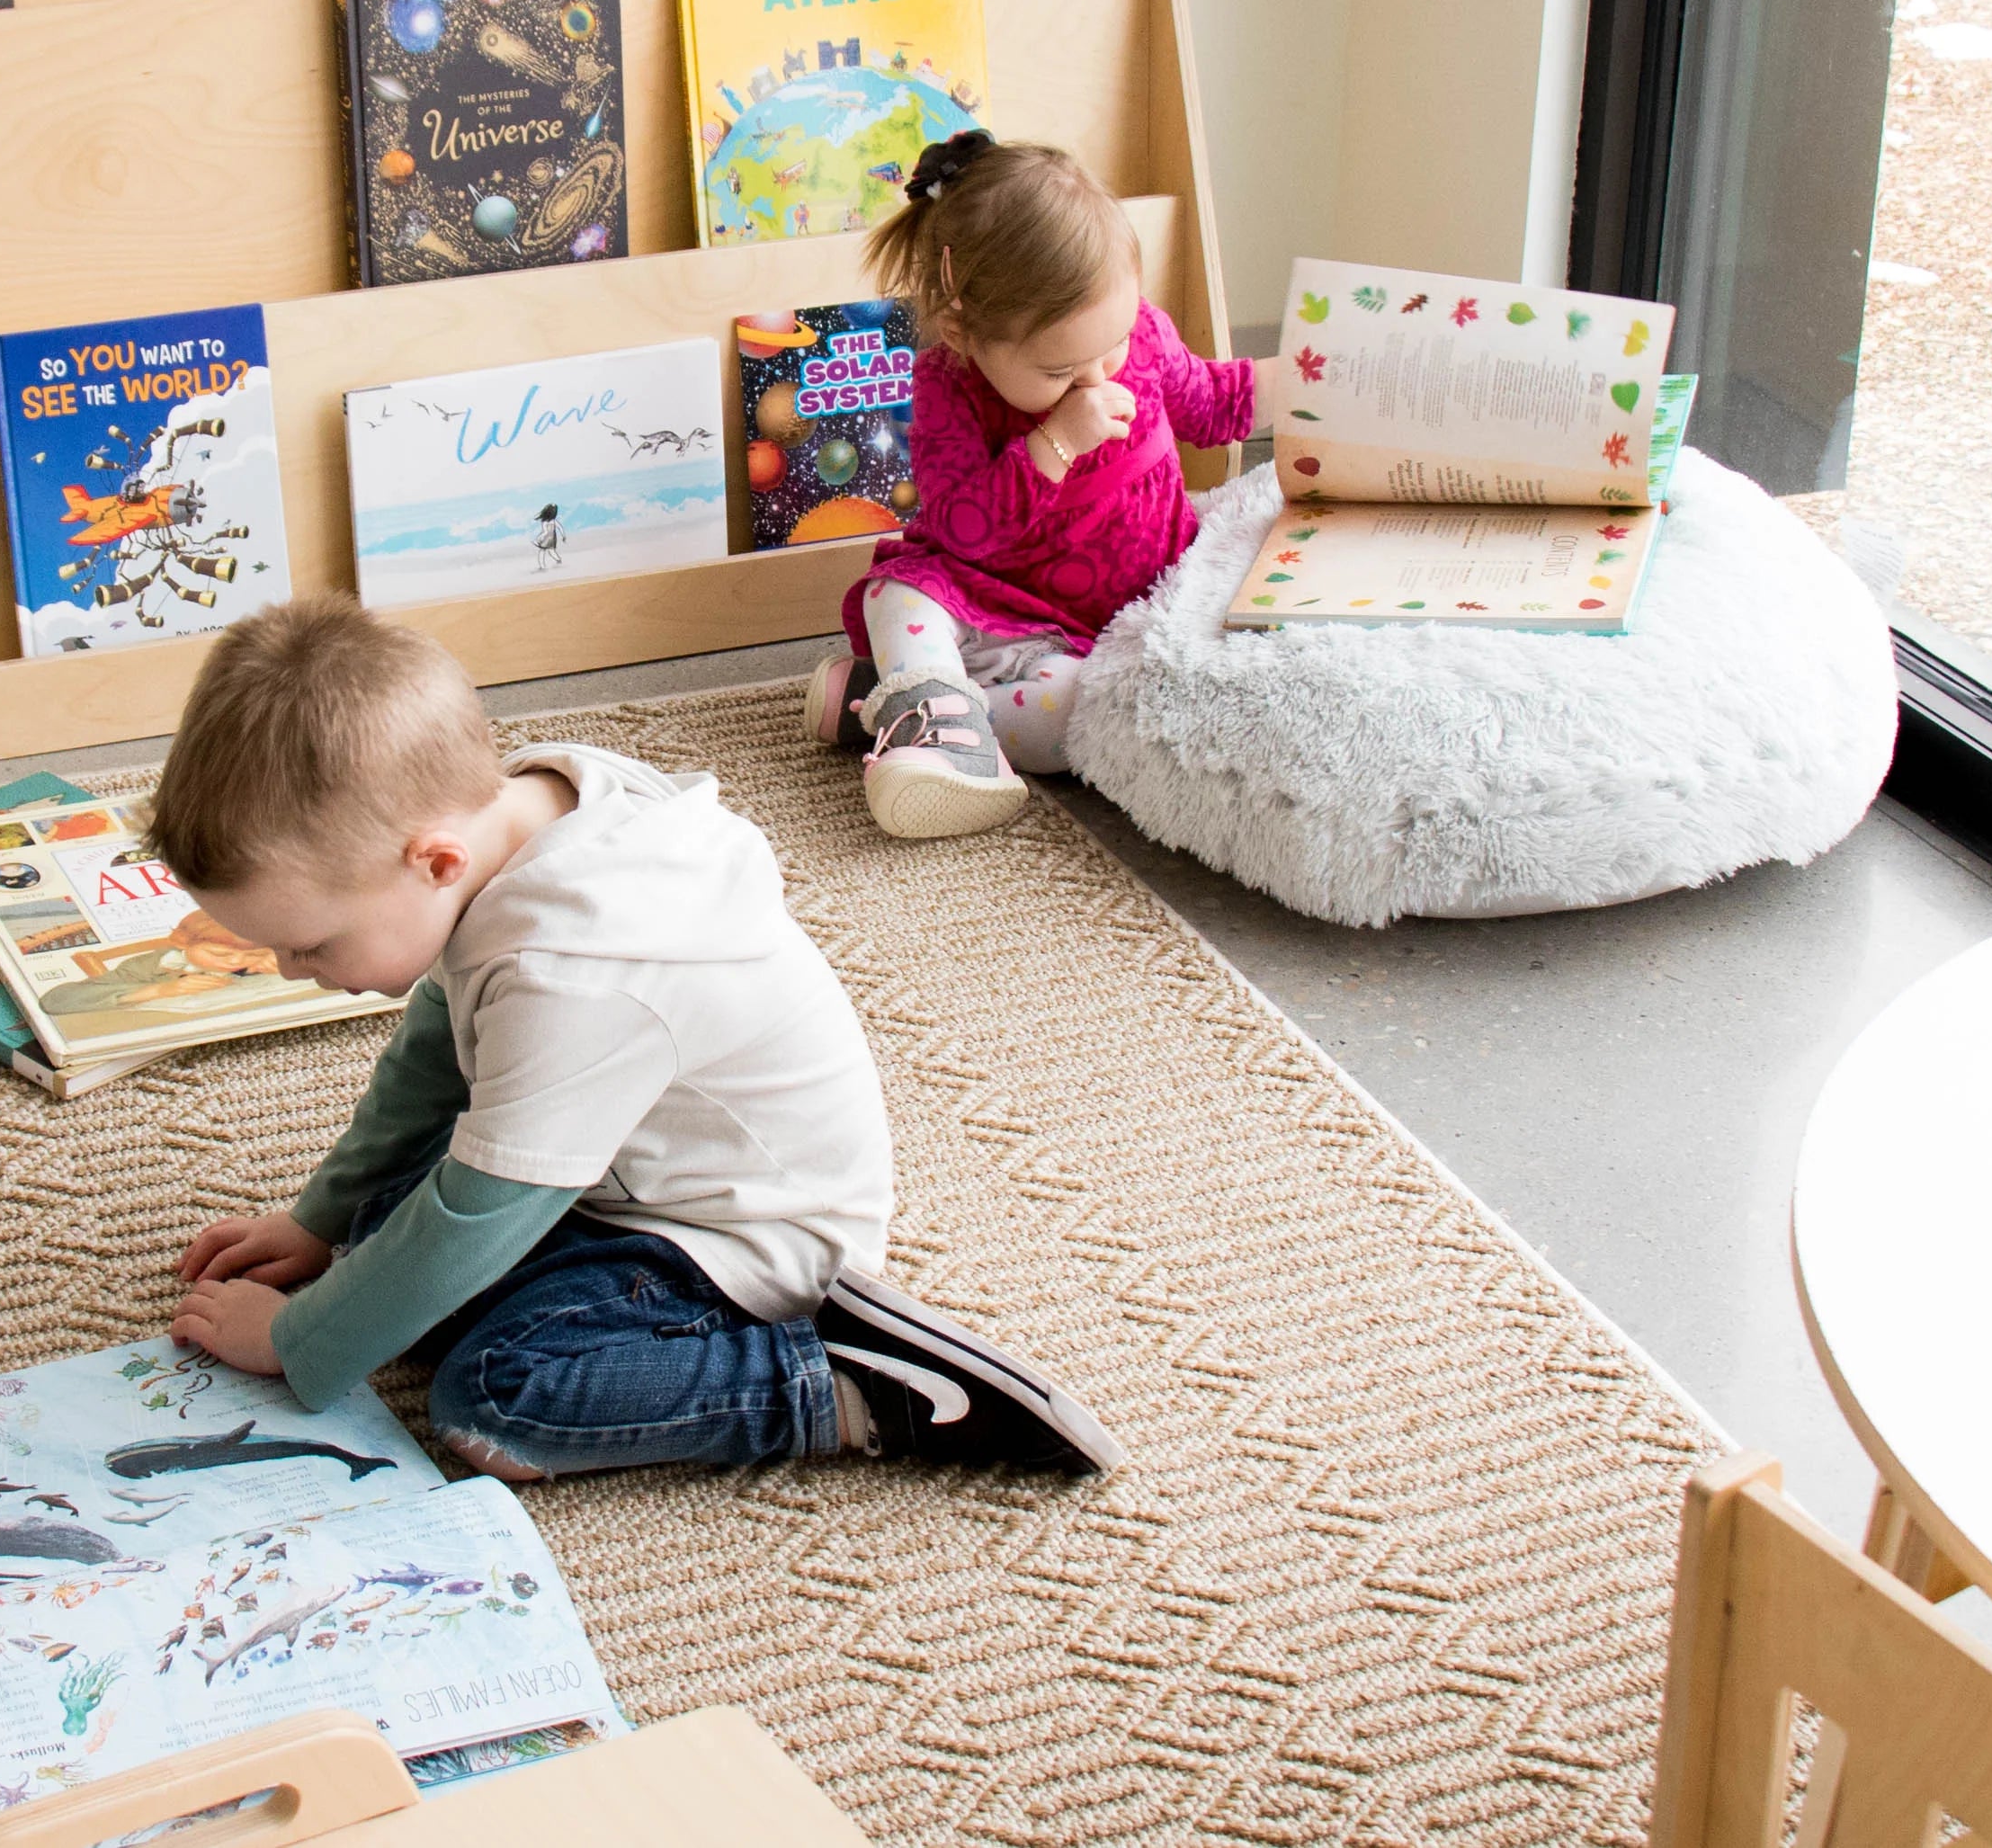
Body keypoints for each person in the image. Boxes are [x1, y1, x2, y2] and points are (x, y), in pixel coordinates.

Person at [147, 594, 1122, 1481]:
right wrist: (320, 1223)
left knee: (496, 1397)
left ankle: (854, 1386)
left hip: (747, 1237)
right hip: (624, 1175)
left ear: (435, 861)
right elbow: (433, 1058)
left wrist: (302, 1341)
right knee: (383, 1239)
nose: (290, 971)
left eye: (309, 946)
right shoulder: (526, 808)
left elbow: (481, 1210)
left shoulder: (571, 967)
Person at [807, 133, 1267, 839]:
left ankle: (909, 707)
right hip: (992, 603)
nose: (1097, 378)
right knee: (894, 595)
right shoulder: (947, 385)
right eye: (1057, 372)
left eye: (1110, 345)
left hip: (1098, 633)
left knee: (1085, 711)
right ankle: (943, 732)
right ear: (963, 333)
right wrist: (1054, 443)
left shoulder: (1138, 332)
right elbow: (965, 528)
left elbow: (1212, 403)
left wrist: (1314, 381)